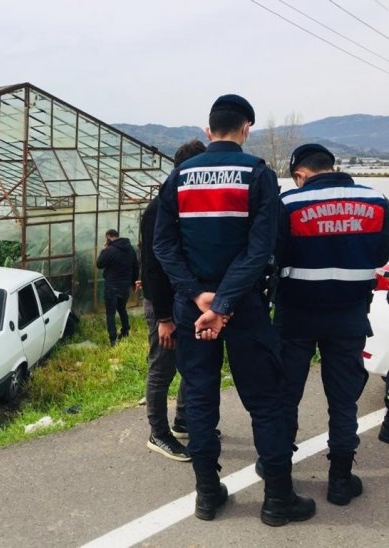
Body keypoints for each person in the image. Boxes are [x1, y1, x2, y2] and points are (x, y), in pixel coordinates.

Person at [153, 94, 315, 526]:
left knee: (201, 400)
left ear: (209, 131)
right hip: (243, 306)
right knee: (266, 400)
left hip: (194, 310)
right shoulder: (258, 175)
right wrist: (224, 303)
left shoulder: (179, 177)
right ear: (246, 128)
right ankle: (278, 500)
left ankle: (207, 495)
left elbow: (163, 245)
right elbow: (261, 248)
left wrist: (197, 297)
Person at [275, 143, 389, 505]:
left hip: (295, 317)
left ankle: (277, 471)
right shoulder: (377, 201)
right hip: (349, 316)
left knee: (285, 397)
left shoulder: (289, 204)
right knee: (343, 402)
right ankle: (340, 480)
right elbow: (382, 255)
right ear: (332, 166)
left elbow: (274, 257)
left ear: (300, 174)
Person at [138, 139, 206, 462]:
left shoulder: (185, 201)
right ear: (186, 169)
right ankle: (158, 433)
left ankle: (182, 420)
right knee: (162, 367)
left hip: (181, 299)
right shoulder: (159, 208)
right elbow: (152, 267)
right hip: (162, 303)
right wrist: (164, 318)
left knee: (187, 361)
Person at [96, 229, 139, 346]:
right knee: (122, 308)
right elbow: (135, 266)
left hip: (112, 286)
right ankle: (125, 331)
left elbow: (99, 264)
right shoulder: (130, 249)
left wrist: (103, 250)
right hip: (125, 286)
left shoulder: (110, 250)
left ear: (109, 237)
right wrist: (134, 283)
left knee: (110, 313)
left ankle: (113, 340)